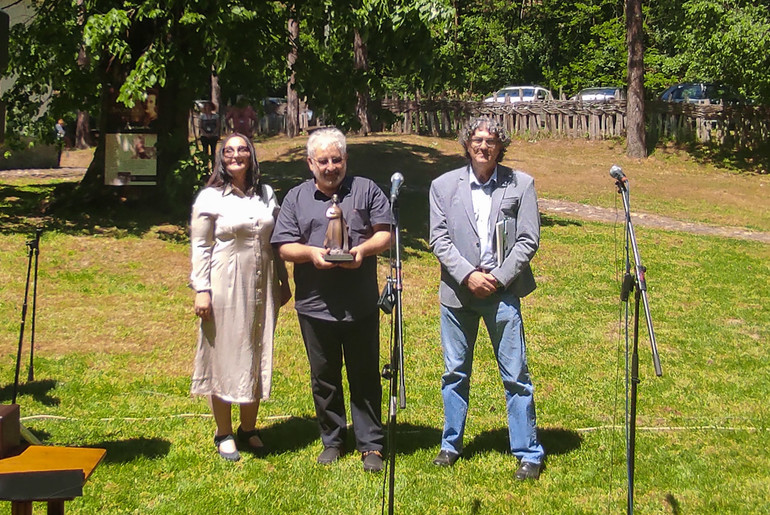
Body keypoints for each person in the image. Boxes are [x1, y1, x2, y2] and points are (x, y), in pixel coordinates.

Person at [428, 116, 546, 480]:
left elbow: (529, 239)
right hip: (457, 293)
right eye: (477, 139)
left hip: (503, 293)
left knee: (516, 375)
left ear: (500, 146)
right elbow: (438, 239)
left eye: (491, 140)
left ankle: (528, 451)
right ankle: (451, 445)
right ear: (467, 144)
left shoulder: (520, 184)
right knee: (454, 373)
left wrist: (496, 278)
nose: (483, 146)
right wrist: (468, 275)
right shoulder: (443, 185)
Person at [271, 127, 391, 473]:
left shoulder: (366, 190)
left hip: (361, 304)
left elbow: (385, 234)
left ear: (345, 160)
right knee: (324, 377)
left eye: (336, 159)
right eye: (322, 160)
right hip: (314, 305)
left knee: (365, 375)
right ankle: (333, 440)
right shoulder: (295, 198)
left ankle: (371, 445)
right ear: (310, 163)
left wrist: (362, 250)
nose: (330, 166)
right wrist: (310, 253)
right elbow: (284, 246)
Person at [189, 133, 292, 461]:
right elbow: (201, 246)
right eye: (229, 151)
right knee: (224, 355)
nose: (236, 156)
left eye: (242, 149)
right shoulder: (210, 197)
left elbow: (276, 240)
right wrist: (201, 290)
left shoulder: (266, 194)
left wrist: (283, 279)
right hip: (224, 285)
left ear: (251, 155)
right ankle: (224, 432)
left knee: (256, 348)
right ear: (222, 157)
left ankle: (249, 427)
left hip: (262, 285)